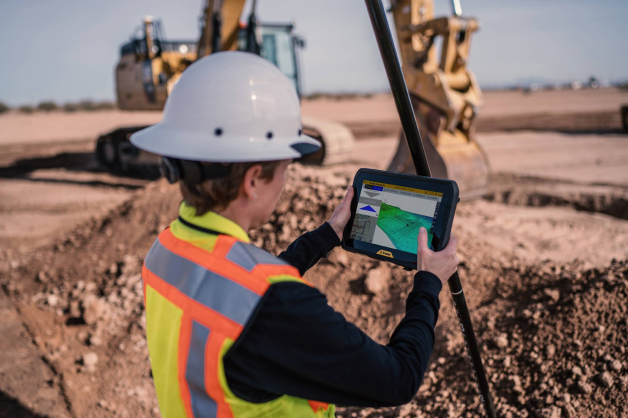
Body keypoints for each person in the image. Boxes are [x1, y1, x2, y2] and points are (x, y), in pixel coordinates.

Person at [131, 51, 459, 418]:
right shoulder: (276, 304)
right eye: (286, 169)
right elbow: (398, 379)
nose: (287, 181)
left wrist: (328, 235)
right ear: (253, 180)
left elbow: (234, 296)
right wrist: (429, 282)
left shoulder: (167, 249)